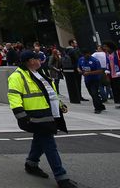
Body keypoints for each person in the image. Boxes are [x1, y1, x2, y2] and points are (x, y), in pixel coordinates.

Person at [8, 51, 76, 188]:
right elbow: (14, 96)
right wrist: (21, 116)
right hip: (35, 115)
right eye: (38, 59)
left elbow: (49, 92)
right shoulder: (17, 76)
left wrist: (60, 104)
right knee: (49, 144)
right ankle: (61, 177)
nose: (40, 61)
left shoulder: (39, 73)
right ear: (30, 61)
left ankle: (31, 163)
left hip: (47, 112)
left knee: (41, 139)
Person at [78, 49, 105, 114]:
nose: (85, 56)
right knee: (92, 94)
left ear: (89, 54)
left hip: (95, 80)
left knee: (94, 93)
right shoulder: (81, 59)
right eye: (84, 55)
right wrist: (79, 71)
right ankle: (101, 105)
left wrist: (89, 73)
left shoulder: (95, 61)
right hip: (87, 80)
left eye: (87, 54)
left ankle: (97, 108)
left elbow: (100, 71)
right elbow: (78, 67)